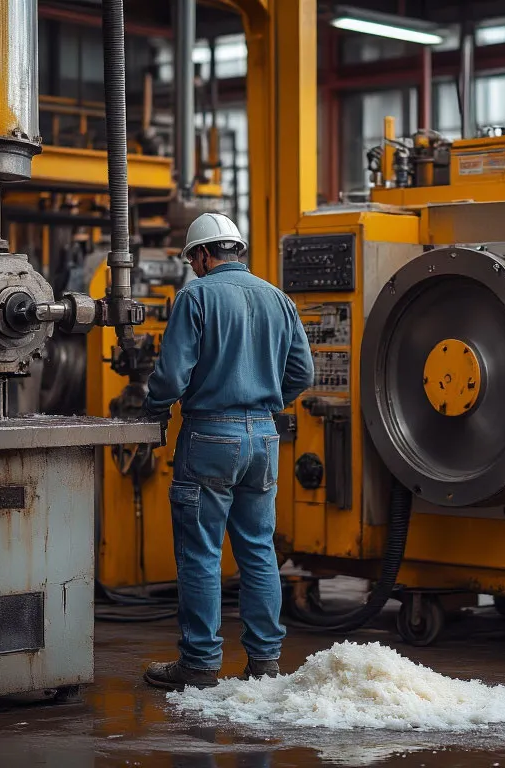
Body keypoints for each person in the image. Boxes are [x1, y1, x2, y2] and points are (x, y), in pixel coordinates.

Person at [142, 212, 314, 691]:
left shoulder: (195, 297)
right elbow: (302, 374)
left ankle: (199, 665)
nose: (193, 267)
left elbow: (173, 378)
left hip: (210, 437)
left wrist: (152, 408)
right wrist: (263, 400)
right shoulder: (278, 299)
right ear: (235, 249)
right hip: (263, 437)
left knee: (201, 553)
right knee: (258, 550)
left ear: (202, 253)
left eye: (192, 259)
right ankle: (264, 663)